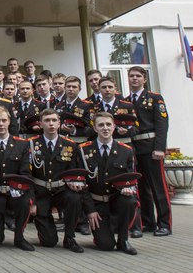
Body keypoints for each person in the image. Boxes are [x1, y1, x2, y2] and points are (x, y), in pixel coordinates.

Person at [79, 112, 139, 255]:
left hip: (116, 200)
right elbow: (82, 183)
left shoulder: (126, 151)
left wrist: (128, 188)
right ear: (95, 128)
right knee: (106, 245)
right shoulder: (83, 150)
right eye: (101, 125)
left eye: (108, 124)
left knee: (129, 201)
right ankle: (104, 234)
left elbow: (131, 179)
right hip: (97, 204)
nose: (105, 128)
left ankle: (123, 239)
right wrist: (90, 210)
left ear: (113, 127)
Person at [125, 66, 171, 237]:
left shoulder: (154, 98)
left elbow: (162, 124)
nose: (134, 78)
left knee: (158, 188)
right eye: (131, 76)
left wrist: (159, 148)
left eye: (138, 76)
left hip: (151, 148)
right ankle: (148, 222)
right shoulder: (126, 101)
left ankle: (164, 223)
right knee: (142, 189)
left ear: (144, 79)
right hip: (134, 149)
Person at [29, 110, 84, 253]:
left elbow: (73, 171)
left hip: (61, 189)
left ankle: (70, 237)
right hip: (40, 192)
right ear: (41, 124)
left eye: (54, 120)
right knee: (49, 242)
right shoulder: (31, 145)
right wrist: (31, 200)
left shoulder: (70, 145)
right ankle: (47, 231)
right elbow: (27, 174)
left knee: (74, 198)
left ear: (59, 123)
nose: (51, 124)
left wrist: (74, 183)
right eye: (47, 120)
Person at [0, 106, 34, 251]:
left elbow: (25, 173)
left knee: (24, 202)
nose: (1, 124)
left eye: (4, 120)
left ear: (9, 121)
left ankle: (19, 237)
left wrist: (20, 188)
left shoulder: (22, 145)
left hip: (15, 195)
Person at [94, 77, 137, 144]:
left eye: (110, 87)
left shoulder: (127, 106)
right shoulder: (95, 108)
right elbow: (92, 128)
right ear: (99, 89)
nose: (107, 89)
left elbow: (136, 127)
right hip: (103, 145)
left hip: (124, 144)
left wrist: (127, 131)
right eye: (104, 87)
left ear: (115, 89)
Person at [56, 76, 94, 144]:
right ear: (64, 88)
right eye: (68, 86)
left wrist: (74, 130)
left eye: (74, 87)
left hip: (79, 142)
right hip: (61, 142)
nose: (71, 89)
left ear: (79, 89)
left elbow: (91, 129)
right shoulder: (58, 106)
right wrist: (60, 128)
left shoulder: (87, 106)